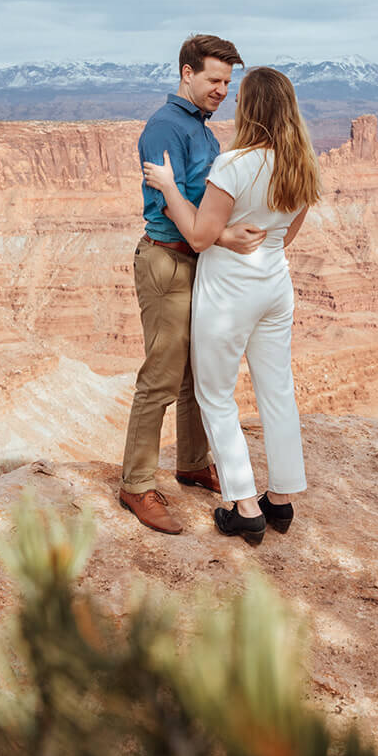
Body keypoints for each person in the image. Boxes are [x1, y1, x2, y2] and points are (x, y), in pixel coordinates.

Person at [142, 66, 320, 545]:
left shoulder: (235, 164)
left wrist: (168, 187)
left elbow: (200, 238)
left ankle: (243, 504)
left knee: (216, 395)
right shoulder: (301, 164)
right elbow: (286, 238)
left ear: (252, 109)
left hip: (229, 293)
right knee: (277, 390)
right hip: (275, 288)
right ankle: (280, 501)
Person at [119, 35, 264, 535]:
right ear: (186, 73)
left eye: (228, 82)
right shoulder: (166, 126)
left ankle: (191, 462)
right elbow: (172, 204)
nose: (222, 90)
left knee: (193, 374)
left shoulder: (202, 130)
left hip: (196, 263)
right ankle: (136, 484)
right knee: (160, 376)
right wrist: (222, 235)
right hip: (168, 263)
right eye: (214, 79)